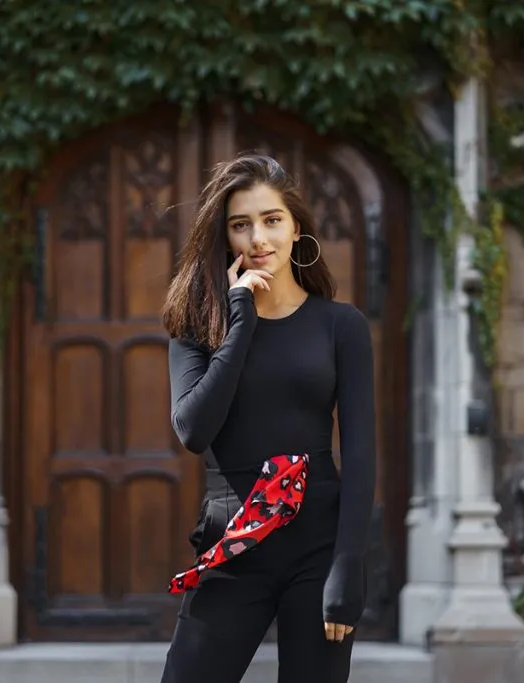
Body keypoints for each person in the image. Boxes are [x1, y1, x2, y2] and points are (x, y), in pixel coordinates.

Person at [159, 153, 376, 683]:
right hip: (234, 539)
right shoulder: (197, 326)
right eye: (241, 225)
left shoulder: (339, 325)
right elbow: (193, 430)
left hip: (318, 547)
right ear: (224, 238)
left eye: (272, 220)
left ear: (296, 227)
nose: (258, 238)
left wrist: (349, 567)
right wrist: (240, 321)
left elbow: (363, 452)